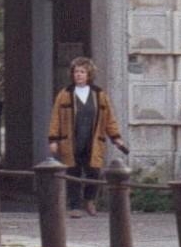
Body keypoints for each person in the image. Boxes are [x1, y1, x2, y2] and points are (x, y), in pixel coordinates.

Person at [47, 56, 127, 217]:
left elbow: (109, 118)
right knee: (73, 172)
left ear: (89, 74)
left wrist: (116, 138)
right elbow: (55, 117)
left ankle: (89, 200)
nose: (79, 75)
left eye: (82, 72)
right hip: (71, 140)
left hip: (93, 140)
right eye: (76, 71)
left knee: (94, 172)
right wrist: (53, 140)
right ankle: (75, 205)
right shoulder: (64, 94)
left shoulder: (99, 95)